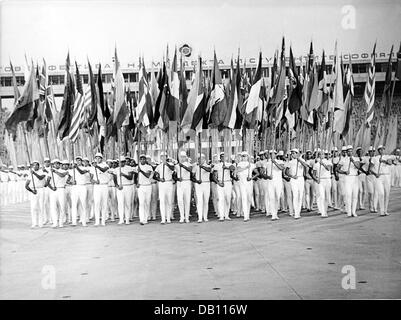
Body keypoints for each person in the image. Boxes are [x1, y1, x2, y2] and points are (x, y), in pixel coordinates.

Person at [337, 145, 363, 218]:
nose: (349, 152)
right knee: (348, 195)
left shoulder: (356, 158)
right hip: (347, 178)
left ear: (352, 151)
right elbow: (337, 169)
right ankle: (349, 211)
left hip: (355, 178)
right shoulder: (343, 159)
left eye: (351, 151)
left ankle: (353, 212)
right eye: (348, 151)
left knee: (355, 196)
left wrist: (353, 161)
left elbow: (358, 167)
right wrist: (344, 172)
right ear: (346, 152)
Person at [285, 148, 310, 219]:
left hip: (300, 178)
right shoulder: (290, 162)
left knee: (300, 195)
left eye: (294, 153)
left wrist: (299, 160)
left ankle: (298, 212)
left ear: (297, 153)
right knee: (295, 195)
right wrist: (292, 176)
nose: (292, 154)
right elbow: (286, 172)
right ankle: (296, 213)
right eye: (292, 153)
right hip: (294, 179)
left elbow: (306, 166)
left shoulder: (302, 160)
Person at [112, 156, 134, 225]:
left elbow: (130, 177)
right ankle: (121, 219)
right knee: (120, 203)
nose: (121, 163)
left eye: (123, 162)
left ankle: (127, 219)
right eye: (120, 162)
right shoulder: (116, 169)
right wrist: (117, 185)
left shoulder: (129, 168)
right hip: (120, 188)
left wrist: (123, 174)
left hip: (128, 187)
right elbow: (114, 178)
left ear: (125, 162)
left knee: (127, 203)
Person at [70, 156, 92, 226]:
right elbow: (68, 179)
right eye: (77, 161)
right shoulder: (72, 170)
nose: (78, 162)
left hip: (83, 186)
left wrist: (76, 167)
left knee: (83, 204)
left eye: (79, 160)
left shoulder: (85, 168)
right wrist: (71, 182)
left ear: (81, 161)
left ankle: (84, 221)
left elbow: (82, 172)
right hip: (75, 187)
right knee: (74, 205)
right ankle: (74, 222)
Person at [371, 145, 393, 216]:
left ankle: (385, 210)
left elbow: (390, 163)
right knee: (381, 194)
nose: (381, 151)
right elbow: (370, 169)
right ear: (378, 151)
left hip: (387, 176)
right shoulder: (374, 158)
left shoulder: (387, 157)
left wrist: (383, 161)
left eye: (382, 149)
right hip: (379, 176)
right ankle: (382, 211)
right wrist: (375, 174)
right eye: (380, 150)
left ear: (384, 150)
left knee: (387, 194)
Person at [48, 159, 70, 228]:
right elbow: (47, 182)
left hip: (61, 189)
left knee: (62, 206)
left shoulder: (64, 171)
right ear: (53, 164)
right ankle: (55, 222)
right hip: (54, 190)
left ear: (60, 164)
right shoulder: (50, 172)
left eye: (57, 163)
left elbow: (62, 175)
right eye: (55, 164)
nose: (56, 165)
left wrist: (54, 171)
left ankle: (61, 222)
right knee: (53, 207)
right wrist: (51, 188)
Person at [154, 152, 175, 224]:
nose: (163, 158)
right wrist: (159, 179)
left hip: (169, 183)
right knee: (162, 201)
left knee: (169, 201)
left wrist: (167, 164)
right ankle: (163, 218)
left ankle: (168, 218)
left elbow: (172, 169)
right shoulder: (159, 166)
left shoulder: (171, 164)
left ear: (166, 157)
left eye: (164, 156)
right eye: (162, 156)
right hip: (162, 184)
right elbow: (155, 175)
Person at [212, 152, 234, 221]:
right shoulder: (217, 165)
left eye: (224, 157)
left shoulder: (229, 164)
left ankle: (226, 215)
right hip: (220, 183)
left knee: (228, 199)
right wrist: (218, 183)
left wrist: (226, 167)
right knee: (221, 199)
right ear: (220, 158)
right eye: (222, 157)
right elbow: (214, 176)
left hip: (228, 182)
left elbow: (233, 169)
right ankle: (221, 215)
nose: (223, 158)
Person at [25, 160, 46, 228]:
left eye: (37, 165)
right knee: (33, 207)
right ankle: (34, 223)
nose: (35, 166)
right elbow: (26, 185)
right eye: (34, 165)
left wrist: (34, 173)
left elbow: (40, 178)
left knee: (41, 207)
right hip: (34, 191)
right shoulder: (30, 174)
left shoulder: (41, 172)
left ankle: (41, 223)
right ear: (32, 166)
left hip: (41, 189)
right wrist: (32, 191)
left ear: (38, 166)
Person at [235, 151, 256, 221]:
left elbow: (257, 173)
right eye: (243, 156)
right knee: (244, 197)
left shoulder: (251, 164)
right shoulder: (240, 163)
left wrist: (251, 177)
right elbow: (237, 171)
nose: (244, 157)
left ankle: (248, 213)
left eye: (245, 156)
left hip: (249, 181)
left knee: (249, 198)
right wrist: (246, 168)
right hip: (242, 181)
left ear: (247, 157)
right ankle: (245, 215)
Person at [265, 149, 285, 220]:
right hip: (270, 182)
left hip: (278, 182)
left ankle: (275, 212)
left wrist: (275, 163)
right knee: (271, 198)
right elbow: (263, 173)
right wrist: (268, 176)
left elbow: (282, 168)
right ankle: (273, 214)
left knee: (277, 197)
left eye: (273, 154)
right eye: (270, 154)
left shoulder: (280, 161)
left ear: (276, 154)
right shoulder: (267, 163)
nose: (272, 155)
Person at [312, 149, 332, 218]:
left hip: (328, 179)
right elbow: (313, 174)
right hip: (320, 181)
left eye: (323, 154)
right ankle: (322, 212)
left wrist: (322, 164)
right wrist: (316, 179)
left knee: (327, 196)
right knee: (322, 196)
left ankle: (325, 210)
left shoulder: (328, 161)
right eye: (320, 154)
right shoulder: (316, 164)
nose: (321, 155)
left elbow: (328, 169)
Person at [191, 153, 211, 223]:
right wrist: (196, 180)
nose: (200, 160)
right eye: (199, 159)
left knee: (206, 201)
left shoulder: (208, 165)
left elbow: (209, 170)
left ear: (204, 159)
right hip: (199, 184)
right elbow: (192, 176)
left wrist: (201, 166)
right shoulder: (195, 167)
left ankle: (205, 217)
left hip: (206, 184)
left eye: (202, 159)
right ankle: (200, 217)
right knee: (199, 201)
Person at [91, 153, 110, 226]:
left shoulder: (105, 165)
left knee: (104, 203)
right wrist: (95, 181)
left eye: (99, 158)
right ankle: (97, 221)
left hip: (104, 186)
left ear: (102, 159)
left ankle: (103, 221)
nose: (98, 159)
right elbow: (91, 179)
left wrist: (97, 166)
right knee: (97, 203)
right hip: (97, 186)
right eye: (96, 158)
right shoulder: (93, 168)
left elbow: (103, 170)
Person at [175, 151, 193, 223]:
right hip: (180, 183)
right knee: (180, 200)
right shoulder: (177, 165)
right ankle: (181, 216)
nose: (182, 158)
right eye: (181, 157)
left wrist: (183, 166)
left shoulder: (189, 164)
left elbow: (190, 170)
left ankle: (187, 217)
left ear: (186, 157)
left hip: (187, 182)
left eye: (183, 157)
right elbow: (174, 175)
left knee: (187, 200)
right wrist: (177, 179)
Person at [136, 154, 154, 225]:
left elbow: (148, 176)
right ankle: (142, 219)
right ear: (139, 160)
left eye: (144, 159)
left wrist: (141, 171)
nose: (142, 160)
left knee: (147, 202)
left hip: (148, 186)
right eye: (141, 159)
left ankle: (146, 218)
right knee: (141, 203)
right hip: (141, 186)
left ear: (145, 160)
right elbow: (135, 176)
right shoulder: (137, 167)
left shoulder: (149, 167)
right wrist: (136, 182)